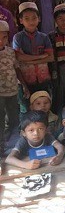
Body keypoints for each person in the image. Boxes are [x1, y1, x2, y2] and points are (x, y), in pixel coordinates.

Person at [13, 2, 54, 112]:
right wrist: (41, 57)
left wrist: (29, 60)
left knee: (45, 106)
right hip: (27, 80)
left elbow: (51, 58)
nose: (31, 21)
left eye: (34, 18)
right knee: (29, 108)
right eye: (26, 18)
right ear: (20, 20)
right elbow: (18, 57)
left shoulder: (44, 37)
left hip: (44, 79)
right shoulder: (18, 38)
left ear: (39, 19)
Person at [0, 20, 28, 155]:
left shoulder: (10, 52)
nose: (1, 40)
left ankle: (15, 147)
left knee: (15, 119)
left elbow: (17, 69)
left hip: (12, 91)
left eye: (4, 37)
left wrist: (23, 85)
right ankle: (1, 149)